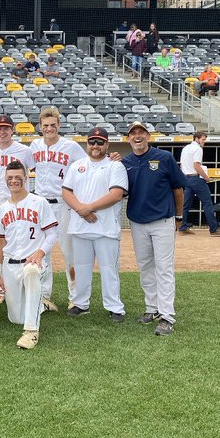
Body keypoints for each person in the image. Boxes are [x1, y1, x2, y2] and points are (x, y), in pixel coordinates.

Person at [116, 120, 187, 337]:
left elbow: (178, 189)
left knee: (164, 268)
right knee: (146, 266)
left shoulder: (164, 157)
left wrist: (179, 216)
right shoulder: (125, 162)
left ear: (148, 136)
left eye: (141, 133)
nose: (137, 136)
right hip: (137, 222)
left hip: (162, 220)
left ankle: (167, 316)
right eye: (133, 134)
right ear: (128, 139)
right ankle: (152, 308)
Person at [61, 126, 128, 323]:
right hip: (81, 226)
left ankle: (115, 307)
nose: (95, 146)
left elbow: (116, 195)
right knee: (81, 267)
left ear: (107, 144)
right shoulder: (77, 165)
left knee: (109, 268)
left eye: (100, 142)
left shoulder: (115, 166)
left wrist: (88, 207)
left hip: (105, 227)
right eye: (92, 142)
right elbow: (66, 192)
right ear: (87, 144)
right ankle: (81, 304)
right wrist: (81, 210)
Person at [25, 106, 86, 311]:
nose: (49, 129)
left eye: (53, 125)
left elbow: (86, 169)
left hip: (64, 204)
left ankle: (75, 297)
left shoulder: (71, 147)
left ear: (59, 125)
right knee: (43, 253)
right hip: (42, 204)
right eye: (45, 126)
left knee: (69, 252)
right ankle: (43, 296)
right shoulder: (34, 145)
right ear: (40, 127)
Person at [0, 159, 58, 350]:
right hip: (10, 265)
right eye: (10, 178)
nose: (13, 181)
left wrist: (40, 252)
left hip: (33, 262)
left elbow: (52, 234)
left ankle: (31, 332)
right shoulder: (2, 208)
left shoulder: (39, 202)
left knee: (31, 272)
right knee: (15, 318)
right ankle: (42, 304)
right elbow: (0, 242)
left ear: (26, 177)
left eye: (17, 177)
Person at [0, 114, 32, 305]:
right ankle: (1, 288)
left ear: (13, 130)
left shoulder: (24, 150)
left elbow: (35, 170)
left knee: (21, 244)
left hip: (19, 204)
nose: (2, 131)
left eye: (6, 128)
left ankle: (24, 285)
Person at [178, 130, 220, 236]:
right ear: (197, 139)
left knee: (185, 205)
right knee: (207, 203)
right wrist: (207, 178)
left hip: (186, 179)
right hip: (196, 179)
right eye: (203, 139)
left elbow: (181, 166)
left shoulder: (185, 148)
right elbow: (196, 166)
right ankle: (214, 229)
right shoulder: (198, 149)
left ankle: (182, 227)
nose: (204, 142)